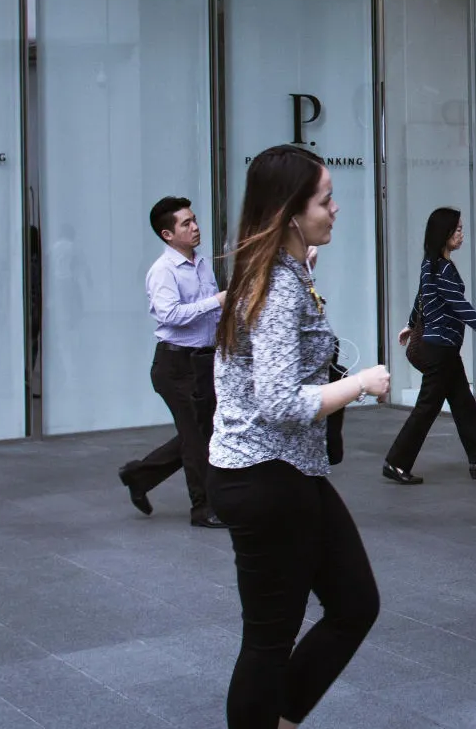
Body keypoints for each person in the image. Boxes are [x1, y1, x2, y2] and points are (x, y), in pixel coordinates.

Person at [206, 145, 389, 728]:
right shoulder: (278, 289)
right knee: (268, 639)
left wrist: (303, 261)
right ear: (290, 213)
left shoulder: (282, 273)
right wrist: (359, 384)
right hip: (265, 476)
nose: (336, 209)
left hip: (288, 471)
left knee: (355, 604)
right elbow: (280, 402)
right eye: (325, 200)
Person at [117, 197, 229, 527]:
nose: (195, 227)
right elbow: (170, 315)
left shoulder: (202, 263)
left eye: (194, 220)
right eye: (186, 223)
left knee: (198, 432)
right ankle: (202, 508)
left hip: (204, 361)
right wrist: (215, 301)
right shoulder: (163, 271)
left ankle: (139, 476)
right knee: (197, 440)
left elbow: (211, 314)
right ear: (167, 234)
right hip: (176, 365)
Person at [382, 207, 476, 484]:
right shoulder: (443, 269)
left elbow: (422, 295)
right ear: (444, 233)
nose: (462, 234)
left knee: (464, 404)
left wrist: (410, 323)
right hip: (440, 350)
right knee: (427, 407)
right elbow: (459, 305)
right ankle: (396, 462)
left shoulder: (431, 265)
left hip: (444, 349)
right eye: (458, 229)